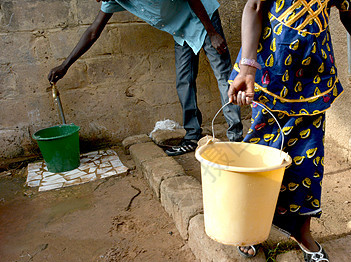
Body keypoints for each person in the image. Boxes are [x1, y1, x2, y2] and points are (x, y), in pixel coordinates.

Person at [228, 0, 351, 262]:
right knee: (262, 153)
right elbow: (254, 7)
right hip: (269, 70)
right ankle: (252, 225)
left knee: (307, 160)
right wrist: (247, 69)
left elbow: (349, 14)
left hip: (312, 76)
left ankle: (301, 232)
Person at [48, 0, 243, 156]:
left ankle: (236, 138)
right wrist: (65, 66)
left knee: (224, 77)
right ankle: (192, 136)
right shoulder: (112, 0)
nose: (98, 1)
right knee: (184, 82)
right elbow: (93, 32)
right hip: (182, 30)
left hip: (203, 17)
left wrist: (212, 32)